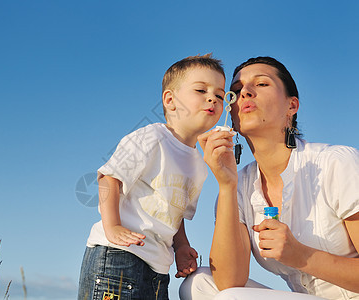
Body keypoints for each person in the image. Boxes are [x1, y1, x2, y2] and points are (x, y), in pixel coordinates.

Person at [180, 56, 359, 300]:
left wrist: (302, 256)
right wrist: (226, 185)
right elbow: (228, 281)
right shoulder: (240, 184)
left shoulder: (336, 162)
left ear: (292, 105)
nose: (245, 93)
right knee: (198, 284)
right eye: (235, 91)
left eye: (262, 84)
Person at [78, 53, 229, 300]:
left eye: (220, 95)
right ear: (170, 100)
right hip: (118, 256)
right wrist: (113, 226)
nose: (212, 98)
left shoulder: (199, 163)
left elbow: (175, 212)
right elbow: (109, 179)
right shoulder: (152, 138)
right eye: (201, 90)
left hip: (158, 268)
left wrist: (180, 246)